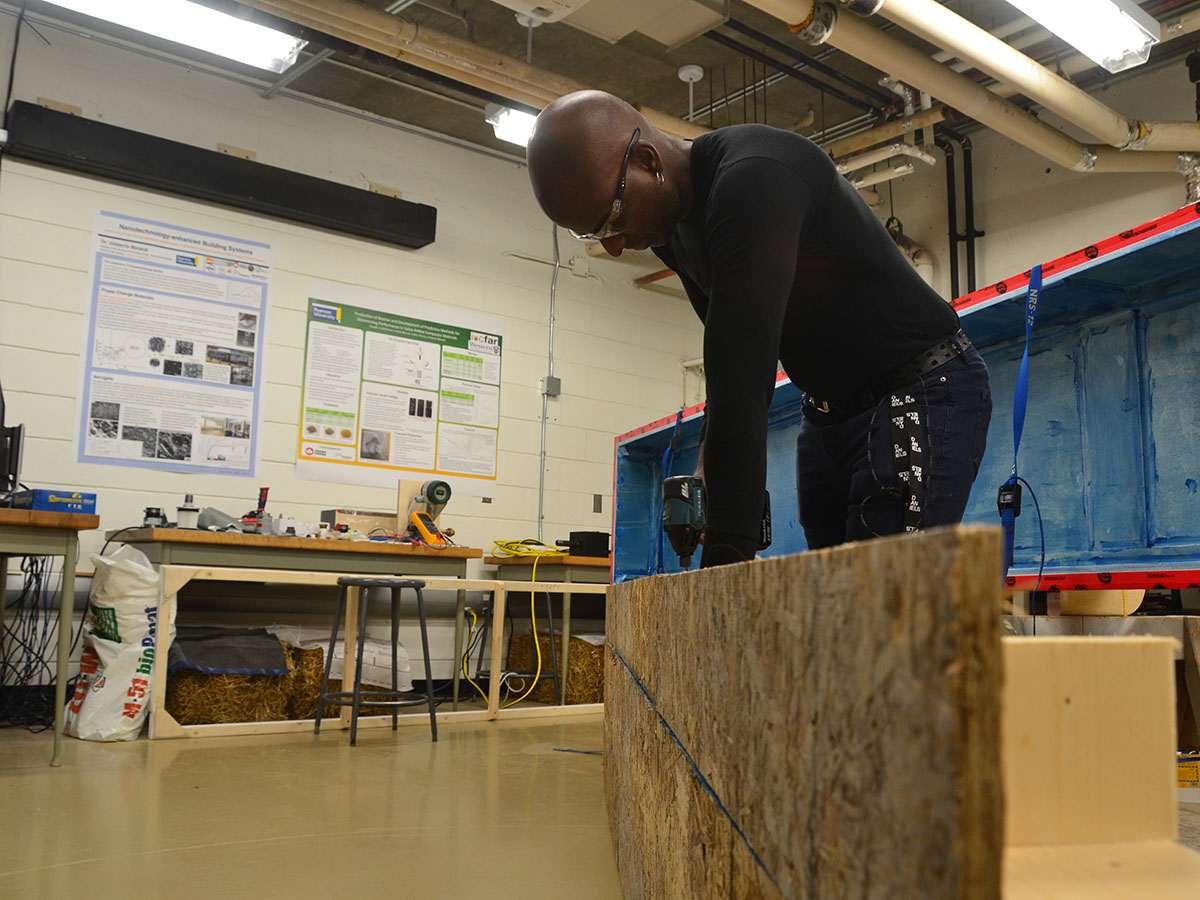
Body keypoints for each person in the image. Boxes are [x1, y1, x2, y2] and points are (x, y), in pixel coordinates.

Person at [526, 90, 991, 567]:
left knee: (881, 613)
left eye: (613, 219)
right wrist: (709, 466)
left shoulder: (755, 176)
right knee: (832, 608)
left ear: (648, 162)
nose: (619, 245)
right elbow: (726, 355)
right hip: (827, 415)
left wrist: (726, 557)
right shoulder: (672, 227)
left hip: (918, 388)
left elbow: (747, 376)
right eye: (595, 235)